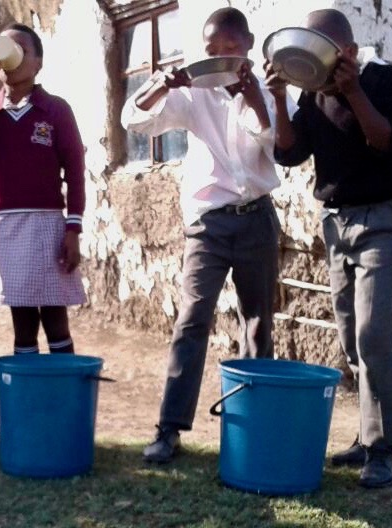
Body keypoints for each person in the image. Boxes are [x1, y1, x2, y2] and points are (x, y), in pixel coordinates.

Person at [122, 8, 287, 464]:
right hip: (208, 226)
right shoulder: (193, 94)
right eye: (211, 51)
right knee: (192, 318)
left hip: (256, 218)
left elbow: (274, 143)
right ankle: (169, 428)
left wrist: (253, 96)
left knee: (258, 321)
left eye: (229, 49)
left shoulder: (270, 90)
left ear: (248, 44)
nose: (220, 58)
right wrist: (163, 83)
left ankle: (256, 427)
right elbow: (133, 122)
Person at [267, 8, 392, 488]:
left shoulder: (388, 79)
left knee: (374, 333)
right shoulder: (315, 97)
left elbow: (386, 142)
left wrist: (352, 90)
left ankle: (383, 447)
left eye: (326, 55)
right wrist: (277, 98)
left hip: (380, 220)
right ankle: (365, 433)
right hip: (335, 224)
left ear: (349, 52)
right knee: (353, 337)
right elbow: (290, 153)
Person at [0, 23, 86, 359]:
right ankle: (32, 397)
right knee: (22, 318)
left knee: (55, 316)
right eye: (6, 48)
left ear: (38, 62)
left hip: (47, 225)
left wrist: (73, 229)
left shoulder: (55, 109)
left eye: (22, 49)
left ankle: (63, 394)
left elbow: (75, 172)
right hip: (7, 227)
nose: (13, 56)